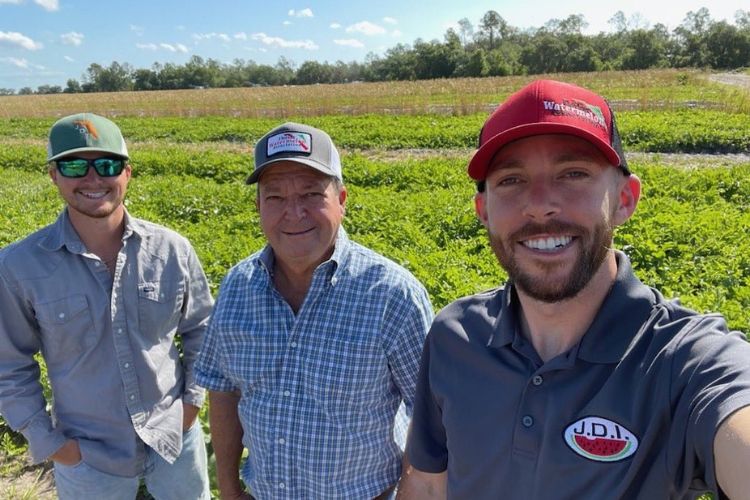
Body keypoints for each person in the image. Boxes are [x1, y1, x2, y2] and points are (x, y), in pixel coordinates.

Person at [398, 79, 750, 499]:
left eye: (573, 173)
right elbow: (427, 483)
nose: (541, 203)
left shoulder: (683, 361)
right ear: (483, 211)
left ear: (624, 199)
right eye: (511, 180)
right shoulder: (455, 335)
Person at [195, 122, 433, 499]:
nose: (294, 212)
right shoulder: (238, 286)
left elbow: (429, 416)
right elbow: (223, 389)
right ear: (258, 206)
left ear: (341, 199)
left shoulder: (392, 295)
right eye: (274, 197)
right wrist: (228, 486)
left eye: (310, 194)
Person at [0, 113, 213, 500]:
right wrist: (50, 443)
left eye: (108, 164)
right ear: (53, 175)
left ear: (127, 172)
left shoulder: (171, 250)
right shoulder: (19, 266)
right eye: (75, 165)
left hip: (174, 439)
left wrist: (191, 407)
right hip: (87, 455)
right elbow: (8, 364)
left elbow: (202, 331)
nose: (93, 178)